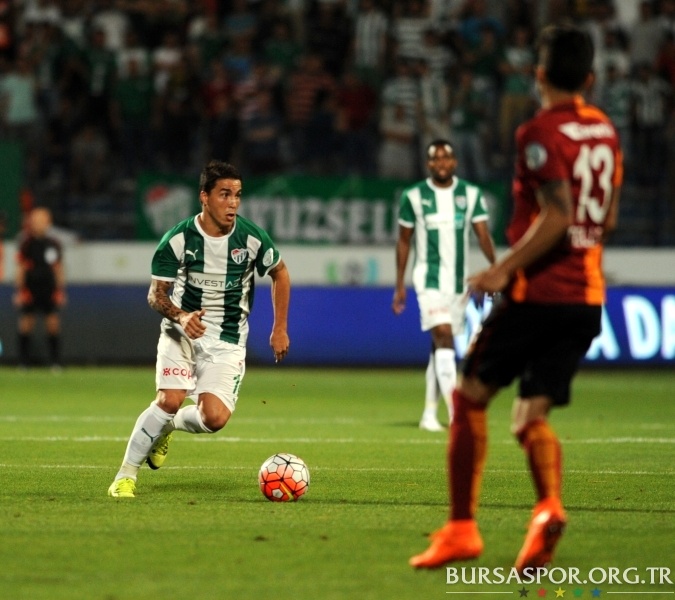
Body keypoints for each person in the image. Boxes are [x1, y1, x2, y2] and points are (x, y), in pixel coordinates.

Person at [410, 24, 622, 571]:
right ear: (590, 78)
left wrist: (503, 269)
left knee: (469, 397)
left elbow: (559, 213)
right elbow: (605, 219)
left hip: (538, 295)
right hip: (586, 298)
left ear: (538, 74)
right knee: (530, 415)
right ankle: (547, 509)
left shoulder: (539, 131)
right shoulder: (605, 131)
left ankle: (461, 529)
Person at [108, 160, 291, 498]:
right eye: (225, 194)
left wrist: (279, 327)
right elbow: (156, 294)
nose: (233, 203)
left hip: (228, 340)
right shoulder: (178, 238)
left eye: (237, 195)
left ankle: (166, 427)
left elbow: (280, 272)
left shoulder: (251, 237)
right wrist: (180, 317)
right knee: (169, 399)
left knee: (214, 419)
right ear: (204, 197)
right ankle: (125, 476)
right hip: (180, 334)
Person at [393, 139, 496, 432]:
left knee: (439, 347)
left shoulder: (470, 195)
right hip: (428, 280)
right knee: (444, 336)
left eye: (446, 157)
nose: (441, 163)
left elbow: (483, 235)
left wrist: (496, 269)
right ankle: (456, 415)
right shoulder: (413, 196)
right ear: (428, 164)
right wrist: (399, 284)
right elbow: (404, 241)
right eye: (435, 158)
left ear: (454, 162)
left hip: (458, 284)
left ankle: (429, 414)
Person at [13, 207, 67, 369]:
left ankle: (55, 363)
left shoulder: (54, 244)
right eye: (36, 220)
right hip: (30, 289)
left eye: (42, 220)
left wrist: (60, 291)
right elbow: (21, 268)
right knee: (26, 324)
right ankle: (23, 362)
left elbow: (58, 269)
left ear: (48, 223)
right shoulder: (26, 243)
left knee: (53, 324)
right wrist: (20, 291)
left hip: (48, 289)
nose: (39, 224)